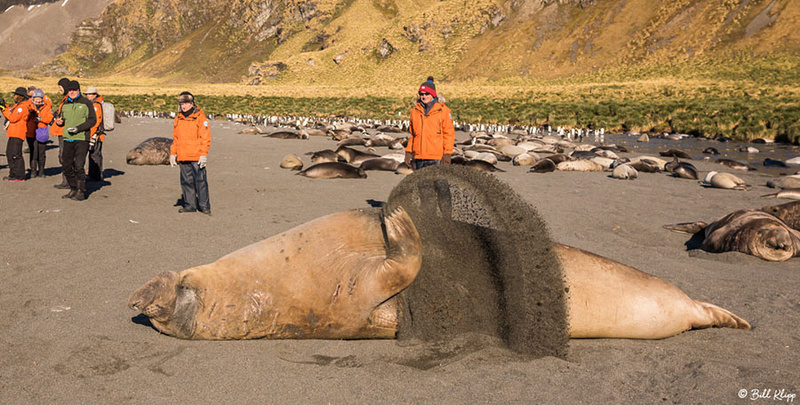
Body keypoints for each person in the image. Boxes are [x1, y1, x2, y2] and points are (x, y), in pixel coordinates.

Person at [53, 80, 96, 201]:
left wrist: (78, 128)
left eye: (74, 90)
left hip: (82, 138)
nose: (71, 92)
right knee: (66, 165)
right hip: (68, 138)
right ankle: (73, 188)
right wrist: (59, 122)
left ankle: (81, 191)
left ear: (78, 90)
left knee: (78, 165)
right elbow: (61, 119)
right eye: (70, 90)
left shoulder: (86, 103)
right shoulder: (65, 104)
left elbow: (92, 120)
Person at [170, 91, 211, 215]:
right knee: (186, 182)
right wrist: (173, 153)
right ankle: (190, 205)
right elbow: (176, 138)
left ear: (192, 104)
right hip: (183, 155)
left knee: (200, 181)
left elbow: (205, 137)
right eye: (182, 103)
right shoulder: (178, 118)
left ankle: (204, 206)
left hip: (196, 155)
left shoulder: (200, 118)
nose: (184, 106)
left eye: (186, 103)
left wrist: (203, 154)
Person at [404, 76, 455, 170]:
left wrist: (447, 154)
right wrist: (408, 152)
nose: (424, 96)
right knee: (420, 184)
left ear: (433, 94)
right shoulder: (414, 111)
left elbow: (449, 134)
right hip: (419, 157)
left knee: (438, 184)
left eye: (427, 93)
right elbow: (413, 135)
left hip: (436, 157)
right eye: (421, 94)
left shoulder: (443, 111)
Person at [1, 87, 34, 181]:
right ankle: (13, 174)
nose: (14, 96)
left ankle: (19, 175)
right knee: (10, 153)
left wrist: (4, 109)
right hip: (13, 132)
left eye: (15, 95)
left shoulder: (22, 107)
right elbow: (10, 112)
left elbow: (13, 118)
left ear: (20, 97)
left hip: (18, 132)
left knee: (16, 154)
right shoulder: (18, 105)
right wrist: (5, 106)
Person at [30, 89, 54, 178]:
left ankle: (41, 171)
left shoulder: (47, 107)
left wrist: (40, 119)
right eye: (36, 98)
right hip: (32, 131)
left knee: (42, 153)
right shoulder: (31, 106)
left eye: (39, 98)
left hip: (42, 131)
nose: (37, 100)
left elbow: (49, 118)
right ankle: (33, 171)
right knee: (34, 152)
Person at [52, 77, 70, 188]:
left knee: (65, 156)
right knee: (63, 156)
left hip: (65, 131)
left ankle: (67, 181)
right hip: (62, 131)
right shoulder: (66, 99)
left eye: (60, 87)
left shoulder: (68, 100)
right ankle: (67, 180)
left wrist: (60, 119)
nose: (59, 90)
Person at [84, 86, 105, 182]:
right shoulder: (96, 103)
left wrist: (90, 134)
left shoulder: (96, 105)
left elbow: (96, 122)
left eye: (90, 94)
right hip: (96, 134)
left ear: (95, 94)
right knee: (94, 154)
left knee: (95, 154)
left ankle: (95, 175)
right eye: (87, 94)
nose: (88, 96)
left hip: (96, 135)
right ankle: (95, 174)